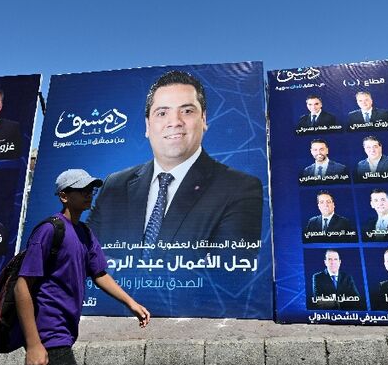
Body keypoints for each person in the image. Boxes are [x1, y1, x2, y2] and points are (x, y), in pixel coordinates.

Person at [14, 168, 150, 365]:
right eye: (83, 190)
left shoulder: (85, 233)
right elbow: (22, 285)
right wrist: (34, 344)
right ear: (64, 196)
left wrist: (131, 303)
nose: (90, 194)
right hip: (49, 332)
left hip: (64, 329)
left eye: (91, 189)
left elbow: (99, 274)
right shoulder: (49, 230)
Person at [87, 70, 263, 245]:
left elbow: (230, 269)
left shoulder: (240, 188)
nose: (175, 122)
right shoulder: (114, 186)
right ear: (147, 126)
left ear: (203, 119)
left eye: (186, 111)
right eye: (162, 113)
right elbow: (84, 256)